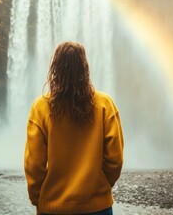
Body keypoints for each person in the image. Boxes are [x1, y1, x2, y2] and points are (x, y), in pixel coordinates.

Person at [24, 41, 124, 215]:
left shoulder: (40, 107)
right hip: (98, 208)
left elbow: (34, 165)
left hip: (53, 208)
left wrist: (38, 198)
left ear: (55, 68)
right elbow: (115, 160)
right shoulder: (105, 105)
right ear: (84, 68)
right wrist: (100, 188)